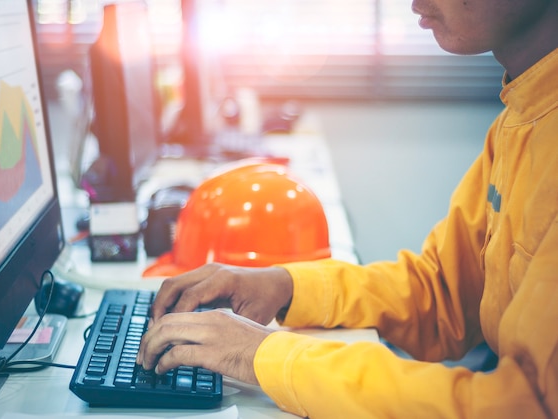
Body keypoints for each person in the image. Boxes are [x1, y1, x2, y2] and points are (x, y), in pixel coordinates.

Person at [137, 0, 558, 416]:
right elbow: (441, 293)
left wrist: (260, 354)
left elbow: (524, 407)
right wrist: (283, 286)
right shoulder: (523, 115)